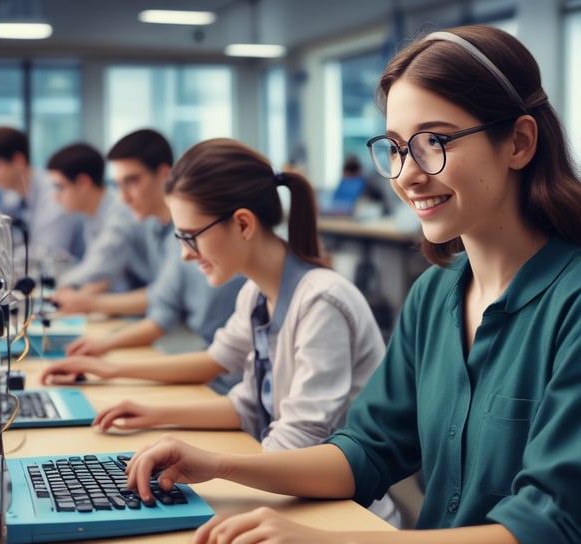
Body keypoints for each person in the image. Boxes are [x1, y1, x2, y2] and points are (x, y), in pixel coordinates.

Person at [121, 25, 581, 544]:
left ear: (518, 142)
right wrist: (216, 464)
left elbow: (551, 524)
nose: (406, 174)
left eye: (434, 142)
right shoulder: (434, 296)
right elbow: (368, 449)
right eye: (397, 148)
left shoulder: (572, 305)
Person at [40, 136, 399, 522]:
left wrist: (213, 466)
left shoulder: (320, 302)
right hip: (294, 500)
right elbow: (247, 406)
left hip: (344, 515)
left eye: (191, 236)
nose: (184, 254)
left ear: (243, 223)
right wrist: (150, 413)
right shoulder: (256, 295)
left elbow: (297, 442)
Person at [51, 130, 244, 366]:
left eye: (131, 182)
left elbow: (161, 306)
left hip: (204, 351)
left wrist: (107, 349)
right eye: (118, 185)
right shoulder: (152, 227)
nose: (123, 198)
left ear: (165, 175)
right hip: (197, 347)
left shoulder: (190, 234)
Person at [0, 126, 85, 270]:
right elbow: (4, 242)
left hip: (69, 281)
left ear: (18, 160)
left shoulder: (55, 194)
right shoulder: (11, 196)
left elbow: (45, 255)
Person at [46, 142, 144, 294]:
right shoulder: (93, 214)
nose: (56, 197)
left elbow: (96, 269)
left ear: (83, 183)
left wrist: (50, 285)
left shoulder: (119, 214)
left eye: (60, 187)